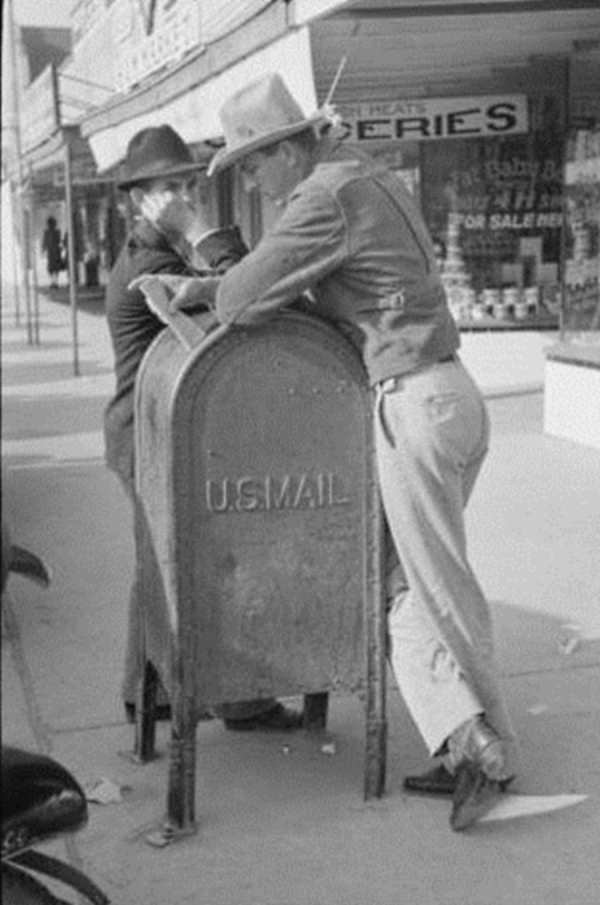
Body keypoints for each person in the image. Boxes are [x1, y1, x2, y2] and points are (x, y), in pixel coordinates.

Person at [140, 74, 521, 831]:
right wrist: (208, 289)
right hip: (448, 395)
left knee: (439, 590)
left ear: (287, 148)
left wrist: (205, 289)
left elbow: (247, 299)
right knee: (392, 586)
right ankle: (461, 736)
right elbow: (309, 286)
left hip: (412, 404)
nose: (254, 182)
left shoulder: (323, 197)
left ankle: (496, 749)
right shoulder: (370, 175)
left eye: (253, 165)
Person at [104, 123, 302, 731]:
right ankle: (238, 699)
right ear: (140, 199)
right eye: (170, 188)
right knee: (204, 561)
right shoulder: (153, 263)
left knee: (159, 561)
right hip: (154, 432)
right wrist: (199, 232)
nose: (185, 198)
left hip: (149, 428)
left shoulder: (156, 253)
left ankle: (148, 693)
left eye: (187, 185)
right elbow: (252, 302)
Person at [41, 217, 62, 288]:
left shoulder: (55, 232)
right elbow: (45, 242)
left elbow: (45, 242)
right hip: (54, 252)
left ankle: (54, 282)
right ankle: (54, 282)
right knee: (53, 268)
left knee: (54, 268)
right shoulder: (54, 232)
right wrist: (43, 249)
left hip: (54, 251)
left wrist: (43, 250)